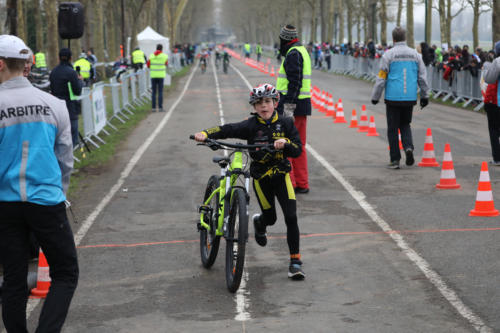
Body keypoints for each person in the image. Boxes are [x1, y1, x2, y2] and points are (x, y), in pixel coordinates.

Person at [0, 34, 78, 333]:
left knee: (14, 279)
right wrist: (60, 193)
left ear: (1, 64)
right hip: (46, 201)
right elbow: (65, 158)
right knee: (66, 273)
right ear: (29, 67)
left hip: (5, 205)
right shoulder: (54, 105)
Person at [193, 83, 305, 280]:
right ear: (254, 107)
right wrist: (206, 133)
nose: (264, 106)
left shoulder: (286, 123)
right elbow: (226, 129)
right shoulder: (251, 125)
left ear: (275, 103)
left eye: (268, 102)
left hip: (281, 176)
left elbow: (297, 149)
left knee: (291, 216)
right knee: (270, 218)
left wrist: (285, 144)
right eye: (259, 103)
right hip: (261, 178)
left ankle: (295, 262)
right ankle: (259, 223)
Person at [371, 26, 430, 169]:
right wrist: (424, 96)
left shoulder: (388, 55)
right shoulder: (416, 55)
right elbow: (422, 77)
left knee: (392, 128)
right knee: (405, 124)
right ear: (405, 38)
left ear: (393, 39)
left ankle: (395, 160)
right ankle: (408, 147)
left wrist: (375, 96)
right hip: (409, 97)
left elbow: (381, 78)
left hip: (393, 97)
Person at [276, 24, 312, 194]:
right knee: (299, 145)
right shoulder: (301, 50)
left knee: (288, 145)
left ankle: (291, 182)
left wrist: (287, 109)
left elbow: (294, 82)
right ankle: (302, 183)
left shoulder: (293, 54)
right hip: (302, 105)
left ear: (285, 39)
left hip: (292, 106)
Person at [50, 48, 83, 147]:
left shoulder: (53, 72)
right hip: (70, 107)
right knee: (72, 135)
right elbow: (77, 91)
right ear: (70, 58)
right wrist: (80, 81)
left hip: (56, 107)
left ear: (59, 58)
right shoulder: (72, 73)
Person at [481, 41, 500, 166]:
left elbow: (489, 79)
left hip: (497, 101)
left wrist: (487, 66)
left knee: (494, 130)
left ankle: (497, 158)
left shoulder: (497, 61)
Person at [147, 43, 168, 112]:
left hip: (153, 75)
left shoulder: (151, 56)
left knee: (154, 92)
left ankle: (153, 108)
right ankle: (160, 107)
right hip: (161, 75)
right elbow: (166, 64)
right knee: (160, 92)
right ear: (162, 49)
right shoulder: (164, 56)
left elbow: (148, 65)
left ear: (156, 48)